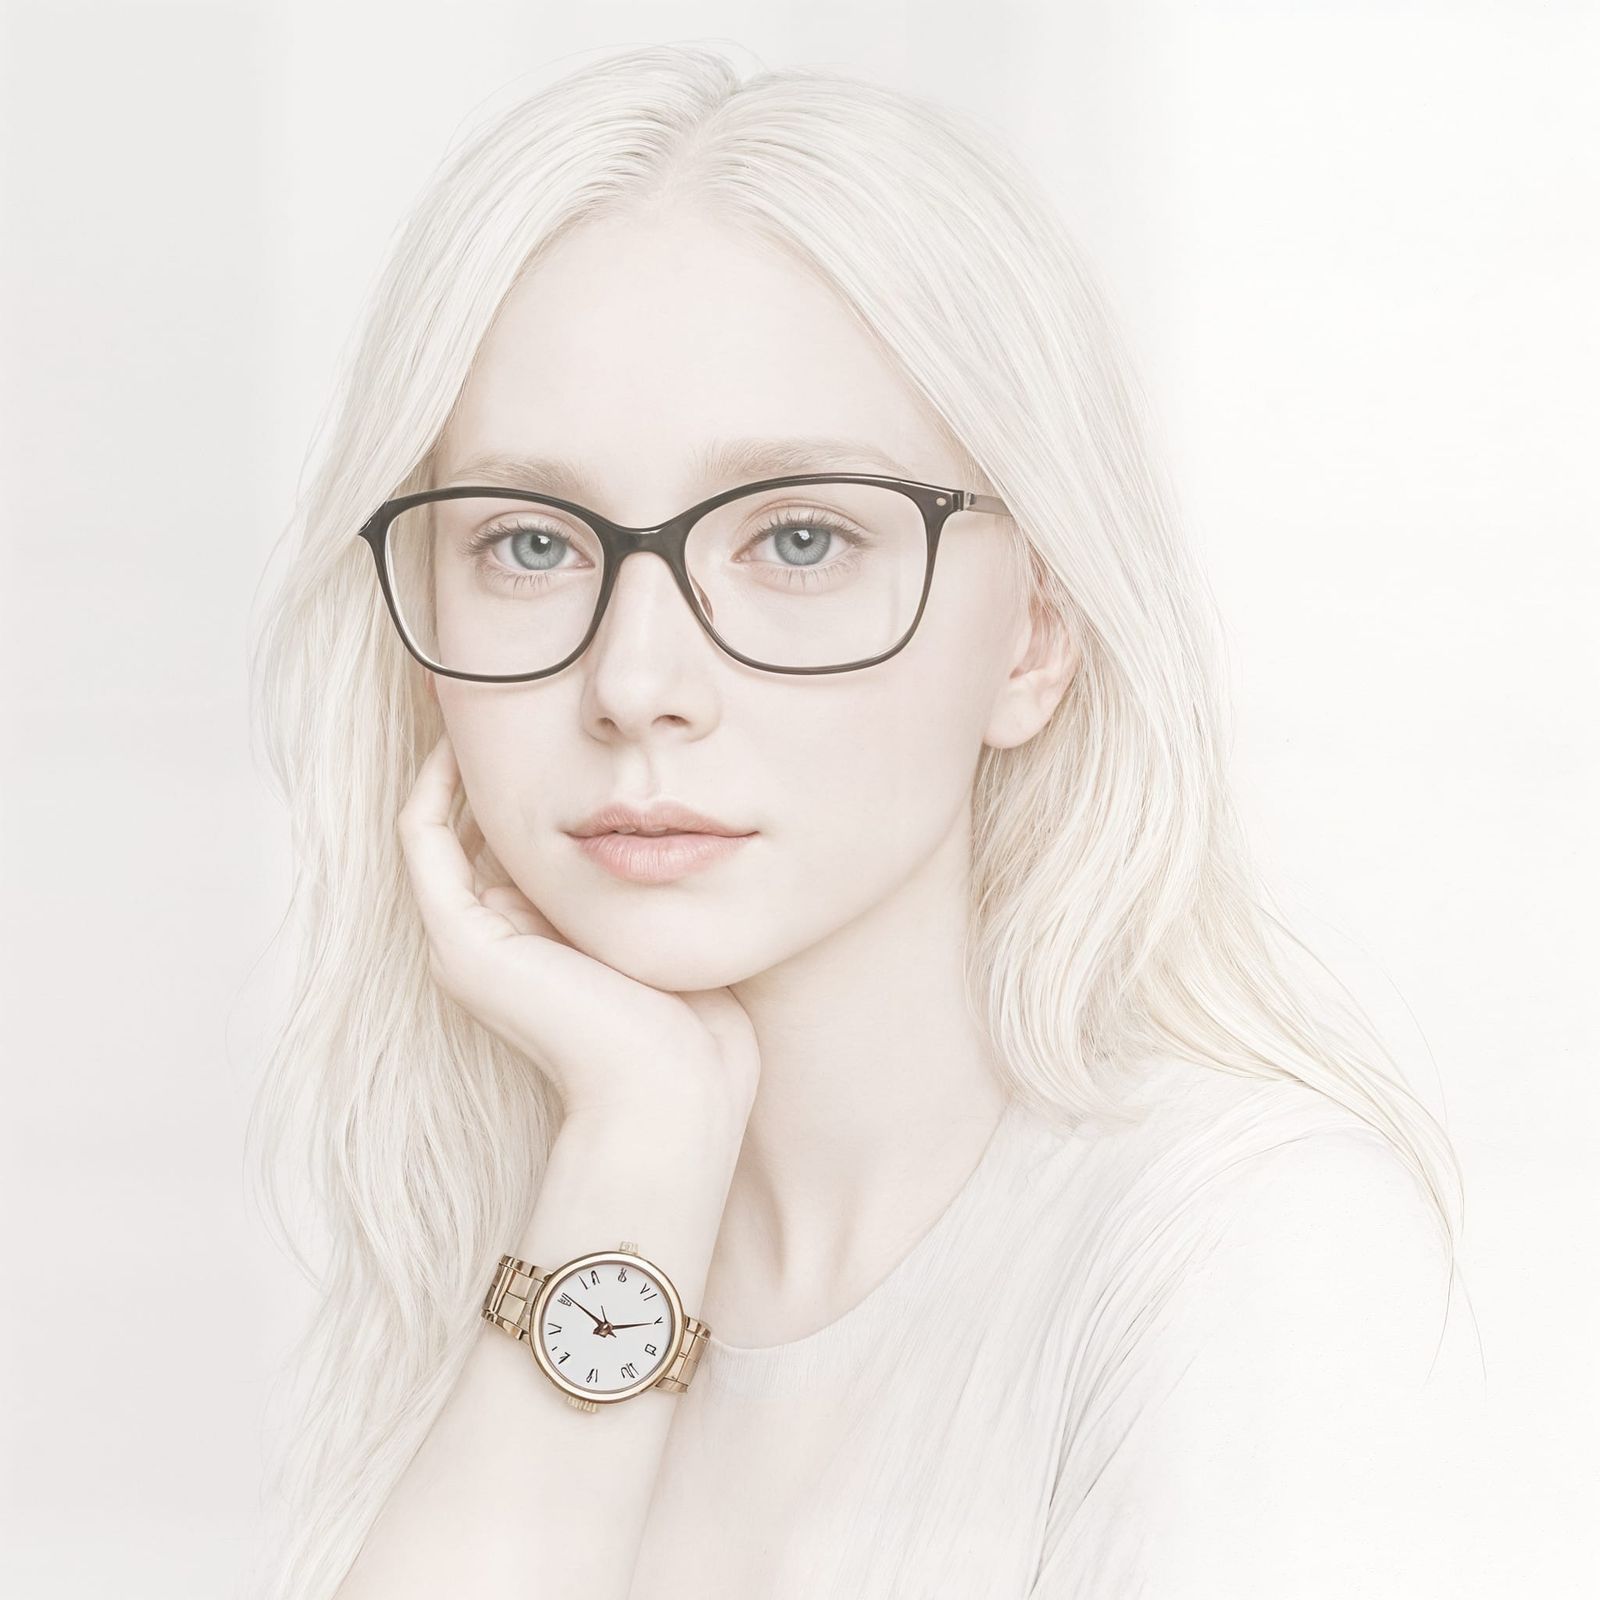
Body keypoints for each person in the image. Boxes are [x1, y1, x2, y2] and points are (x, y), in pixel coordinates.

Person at [246, 43, 1469, 1600]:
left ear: (1034, 631)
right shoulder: (498, 1263)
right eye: (532, 545)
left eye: (802, 537)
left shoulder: (1248, 1260)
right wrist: (638, 1143)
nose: (634, 681)